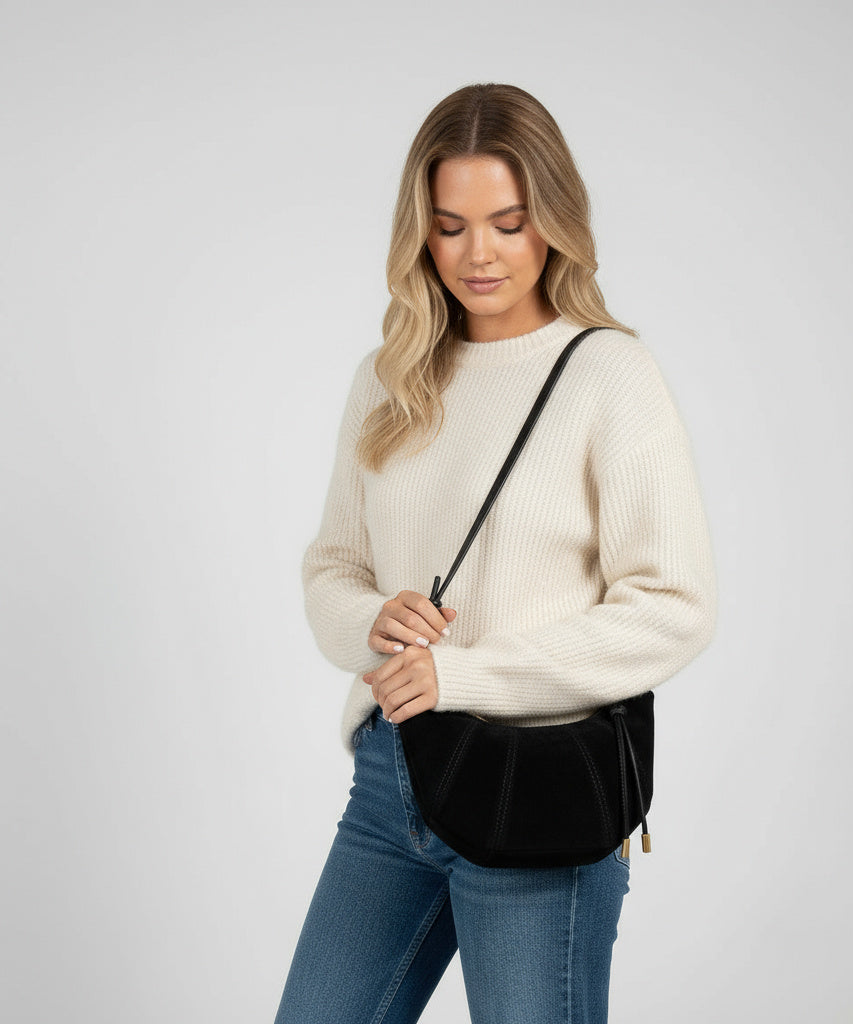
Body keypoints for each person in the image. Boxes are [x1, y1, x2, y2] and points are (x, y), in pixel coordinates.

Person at [273, 82, 717, 1024]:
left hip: (538, 788)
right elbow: (332, 567)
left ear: (554, 220)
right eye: (450, 226)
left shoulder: (609, 375)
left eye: (509, 223)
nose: (479, 254)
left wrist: (464, 675)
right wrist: (374, 620)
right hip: (392, 780)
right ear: (421, 234)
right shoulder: (388, 382)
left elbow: (674, 608)